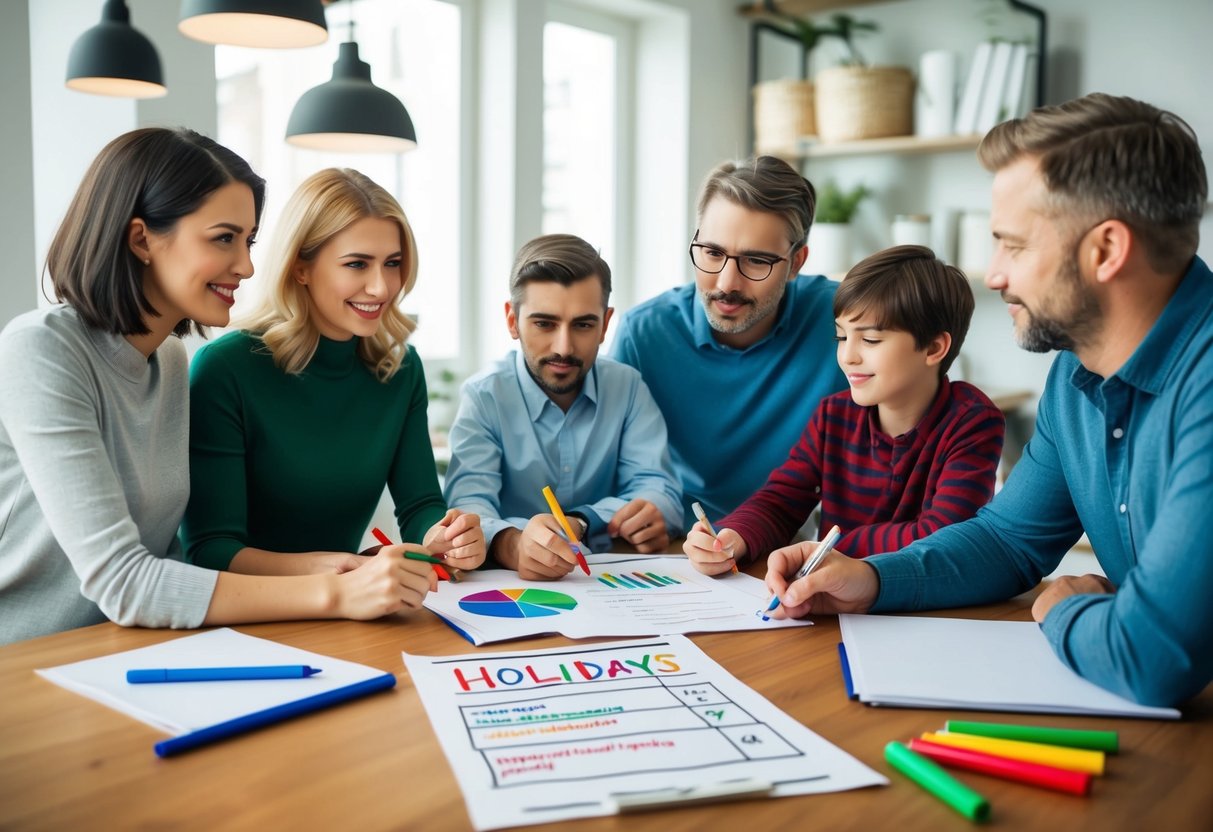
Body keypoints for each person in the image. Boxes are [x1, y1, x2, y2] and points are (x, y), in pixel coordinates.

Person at [766, 93, 1213, 708]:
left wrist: (1065, 606)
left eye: (1014, 245)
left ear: (1107, 250)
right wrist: (868, 579)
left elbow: (1152, 656)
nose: (994, 272)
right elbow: (1006, 542)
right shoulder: (1074, 378)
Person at [0, 129, 433, 645]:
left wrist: (340, 572)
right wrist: (336, 592)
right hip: (24, 661)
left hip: (125, 648)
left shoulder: (168, 361)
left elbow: (169, 562)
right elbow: (124, 581)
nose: (248, 265)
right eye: (224, 238)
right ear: (142, 239)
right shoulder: (41, 348)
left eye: (248, 241)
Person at [182, 168, 485, 584]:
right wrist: (348, 567)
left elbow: (419, 507)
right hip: (239, 619)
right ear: (301, 267)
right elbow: (210, 549)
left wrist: (447, 537)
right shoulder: (225, 369)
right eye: (357, 264)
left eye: (392, 263)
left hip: (347, 607)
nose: (381, 287)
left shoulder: (399, 368)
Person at [683, 245, 1005, 574]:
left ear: (934, 348)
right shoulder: (833, 416)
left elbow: (943, 536)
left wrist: (827, 549)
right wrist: (733, 538)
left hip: (926, 609)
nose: (848, 356)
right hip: (834, 602)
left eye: (871, 340)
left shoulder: (973, 422)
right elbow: (781, 500)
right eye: (841, 336)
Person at [611, 155, 847, 529]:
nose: (726, 284)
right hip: (673, 543)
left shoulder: (843, 320)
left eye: (755, 261)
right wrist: (637, 511)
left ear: (796, 262)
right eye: (712, 253)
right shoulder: (643, 334)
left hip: (783, 546)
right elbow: (614, 468)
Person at [444, 234, 681, 581]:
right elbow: (469, 509)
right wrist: (514, 545)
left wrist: (582, 521)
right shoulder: (485, 397)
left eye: (583, 324)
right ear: (512, 320)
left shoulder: (627, 386)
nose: (564, 347)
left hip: (610, 583)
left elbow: (661, 493)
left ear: (605, 324)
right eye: (544, 323)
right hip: (513, 588)